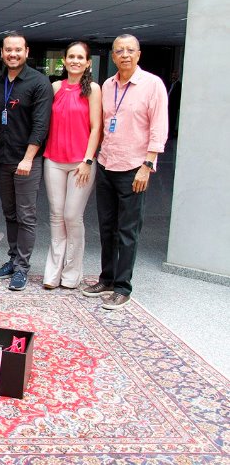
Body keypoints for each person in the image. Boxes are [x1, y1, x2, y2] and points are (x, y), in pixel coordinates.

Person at [81, 34, 169, 310]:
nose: (125, 55)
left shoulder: (152, 85)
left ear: (139, 54)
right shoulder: (108, 85)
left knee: (127, 230)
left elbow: (159, 128)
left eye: (130, 50)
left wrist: (148, 165)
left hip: (134, 167)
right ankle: (106, 278)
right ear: (113, 54)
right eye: (119, 51)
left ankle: (122, 287)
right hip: (107, 163)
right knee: (106, 227)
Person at [0, 32, 53, 291]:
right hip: (3, 158)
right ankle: (13, 259)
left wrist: (28, 158)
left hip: (27, 160)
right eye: (8, 50)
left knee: (26, 215)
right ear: (2, 53)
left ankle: (23, 267)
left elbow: (41, 125)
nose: (13, 54)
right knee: (10, 213)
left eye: (18, 50)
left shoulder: (39, 82)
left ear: (26, 52)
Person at [42, 42, 102, 290]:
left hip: (81, 162)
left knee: (72, 216)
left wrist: (88, 160)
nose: (75, 61)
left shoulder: (94, 90)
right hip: (54, 160)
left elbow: (96, 127)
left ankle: (72, 273)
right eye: (71, 57)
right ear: (64, 61)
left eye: (80, 57)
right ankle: (52, 273)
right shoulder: (55, 87)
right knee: (56, 216)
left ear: (88, 63)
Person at [167, 70, 181, 139]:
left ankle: (170, 135)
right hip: (168, 105)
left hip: (173, 106)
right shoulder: (170, 84)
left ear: (177, 76)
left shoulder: (178, 85)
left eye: (175, 75)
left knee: (172, 120)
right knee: (167, 120)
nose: (173, 76)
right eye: (172, 74)